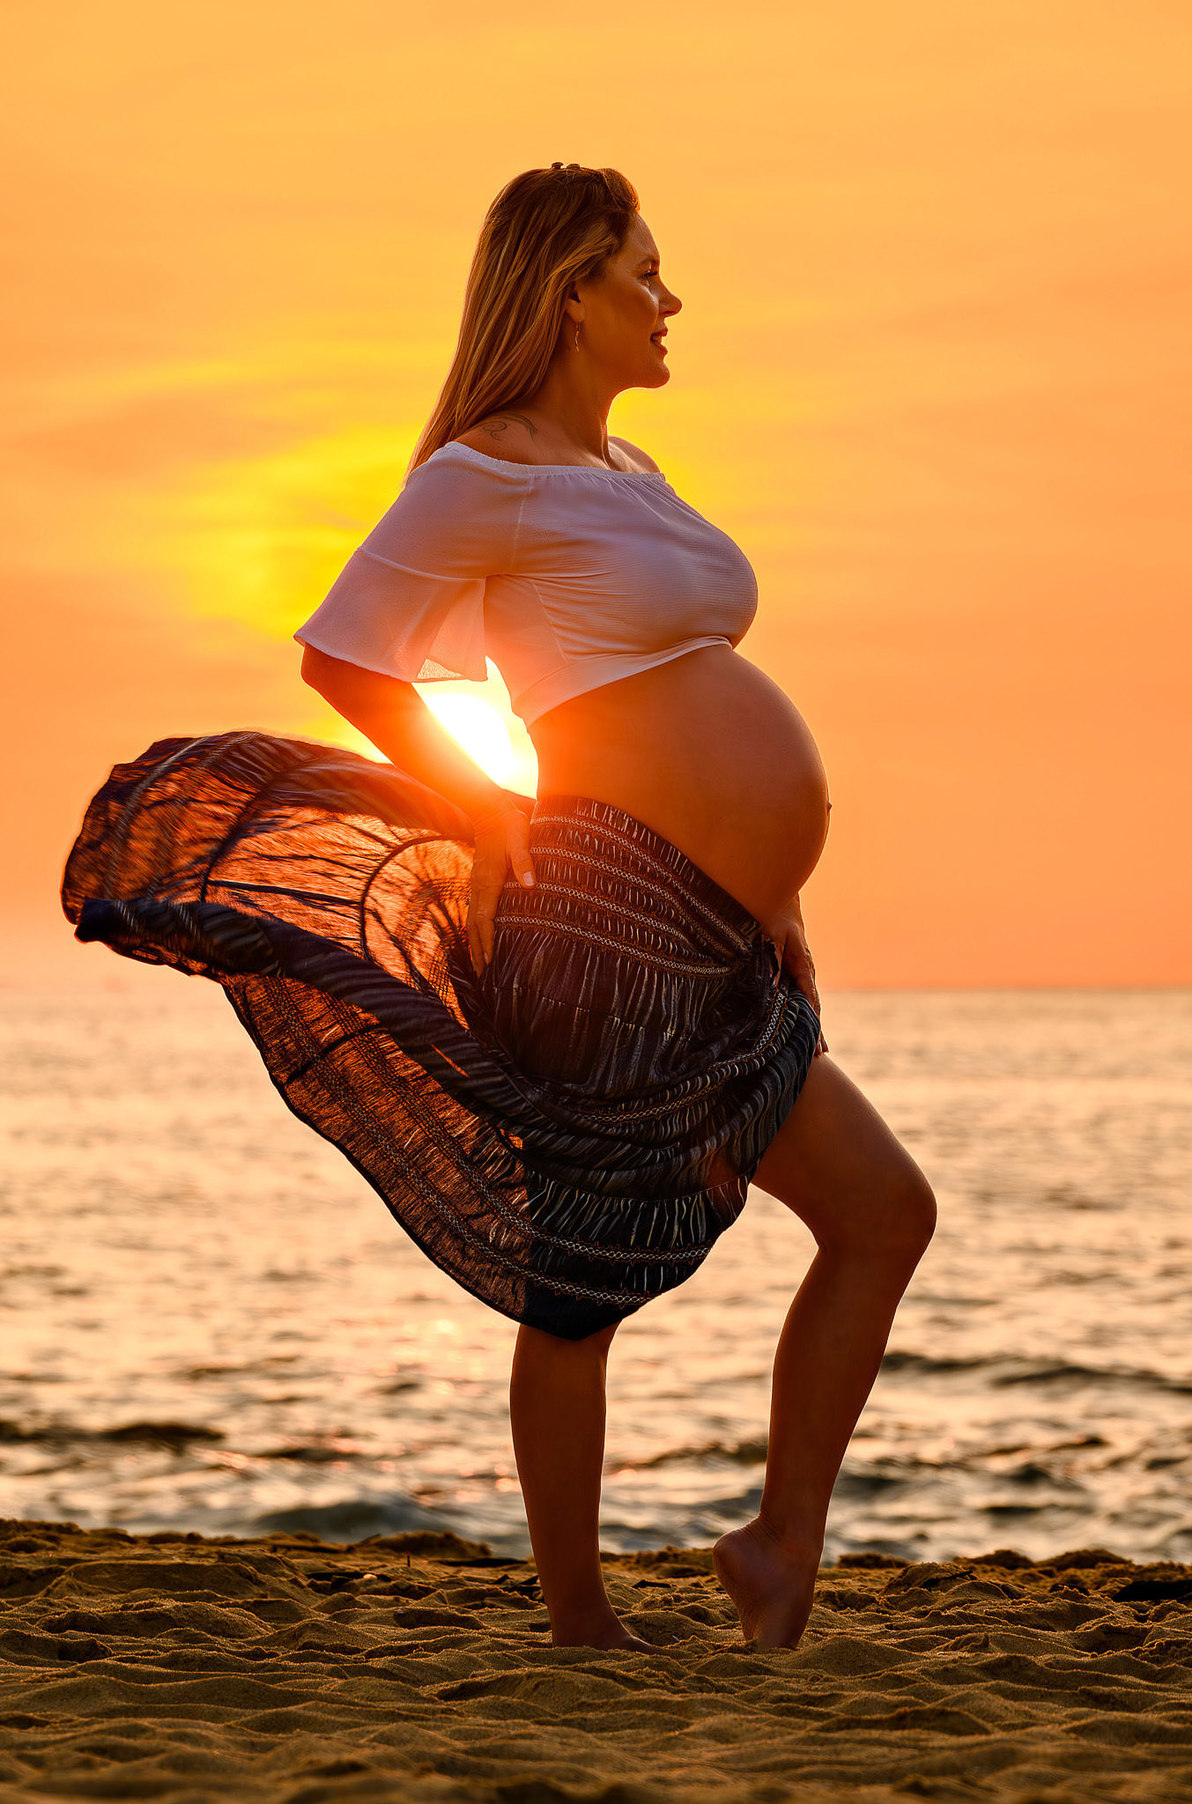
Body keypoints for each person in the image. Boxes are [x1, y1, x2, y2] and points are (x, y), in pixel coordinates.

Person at [62, 163, 937, 1655]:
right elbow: (346, 660)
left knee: (882, 1214)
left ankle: (781, 1544)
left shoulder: (632, 474)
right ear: (567, 290)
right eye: (644, 273)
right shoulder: (484, 473)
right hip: (601, 923)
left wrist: (774, 894)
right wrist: (481, 807)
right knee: (579, 1279)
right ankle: (581, 1622)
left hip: (722, 939)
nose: (670, 300)